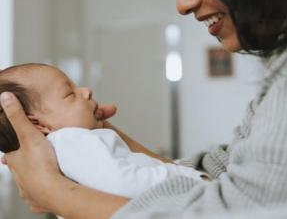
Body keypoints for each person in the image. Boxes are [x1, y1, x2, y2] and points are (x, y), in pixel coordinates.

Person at [1, 0, 287, 218]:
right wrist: (99, 129)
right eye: (68, 91)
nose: (182, 1)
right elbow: (216, 172)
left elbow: (233, 202)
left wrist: (53, 192)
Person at [0, 63, 203, 199]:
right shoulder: (68, 140)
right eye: (70, 94)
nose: (86, 91)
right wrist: (187, 177)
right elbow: (125, 185)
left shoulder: (64, 148)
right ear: (40, 125)